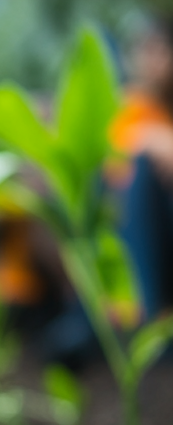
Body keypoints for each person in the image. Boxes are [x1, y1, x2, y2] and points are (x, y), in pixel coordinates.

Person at [110, 15, 173, 321]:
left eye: (159, 49)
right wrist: (150, 140)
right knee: (143, 173)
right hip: (137, 221)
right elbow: (114, 166)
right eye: (145, 49)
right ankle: (150, 314)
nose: (153, 59)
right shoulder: (131, 105)